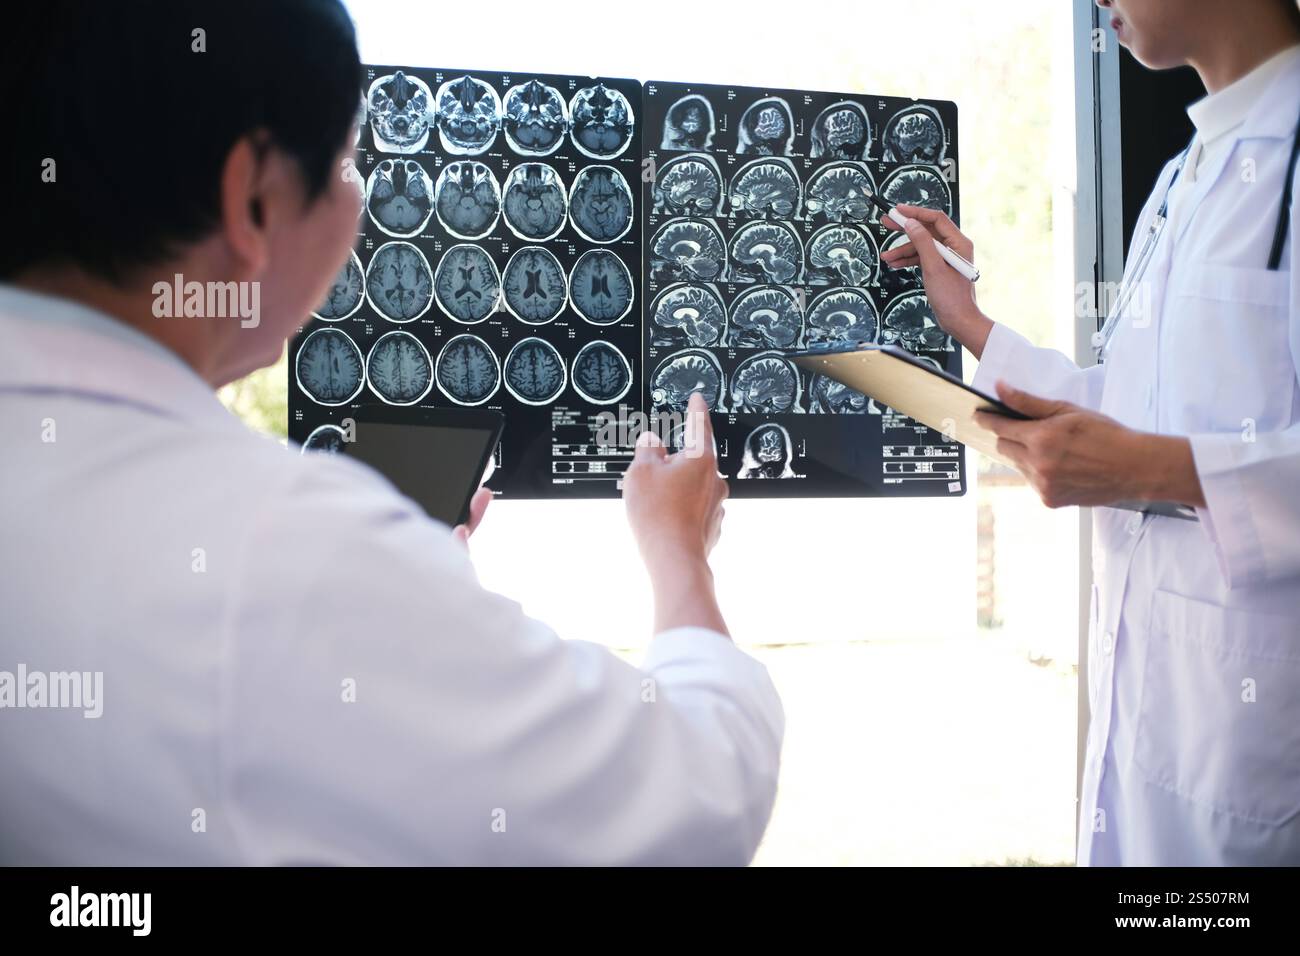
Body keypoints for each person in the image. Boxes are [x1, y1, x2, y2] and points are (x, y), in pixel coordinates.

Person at [0, 0, 783, 865]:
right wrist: (679, 552)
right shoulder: (285, 548)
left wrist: (407, 601)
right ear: (252, 197)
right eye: (348, 165)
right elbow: (697, 800)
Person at [881, 0, 1300, 864]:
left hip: (1256, 752)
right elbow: (1144, 405)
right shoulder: (1183, 175)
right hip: (1161, 726)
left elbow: (1154, 448)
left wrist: (1156, 470)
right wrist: (972, 324)